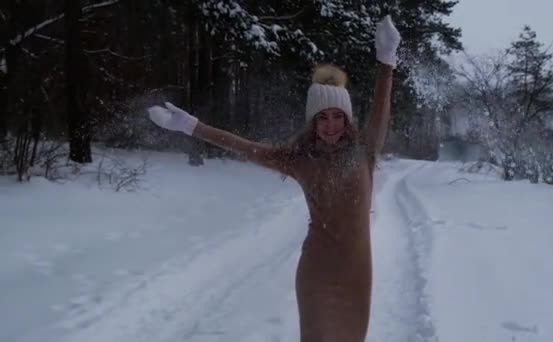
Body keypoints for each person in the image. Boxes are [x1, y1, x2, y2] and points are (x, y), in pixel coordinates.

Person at [148, 15, 401, 342]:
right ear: (312, 122)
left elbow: (381, 109)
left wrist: (386, 59)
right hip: (315, 275)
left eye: (337, 116)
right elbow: (245, 147)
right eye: (322, 118)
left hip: (357, 275)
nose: (330, 125)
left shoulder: (364, 152)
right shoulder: (298, 160)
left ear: (347, 119)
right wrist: (191, 127)